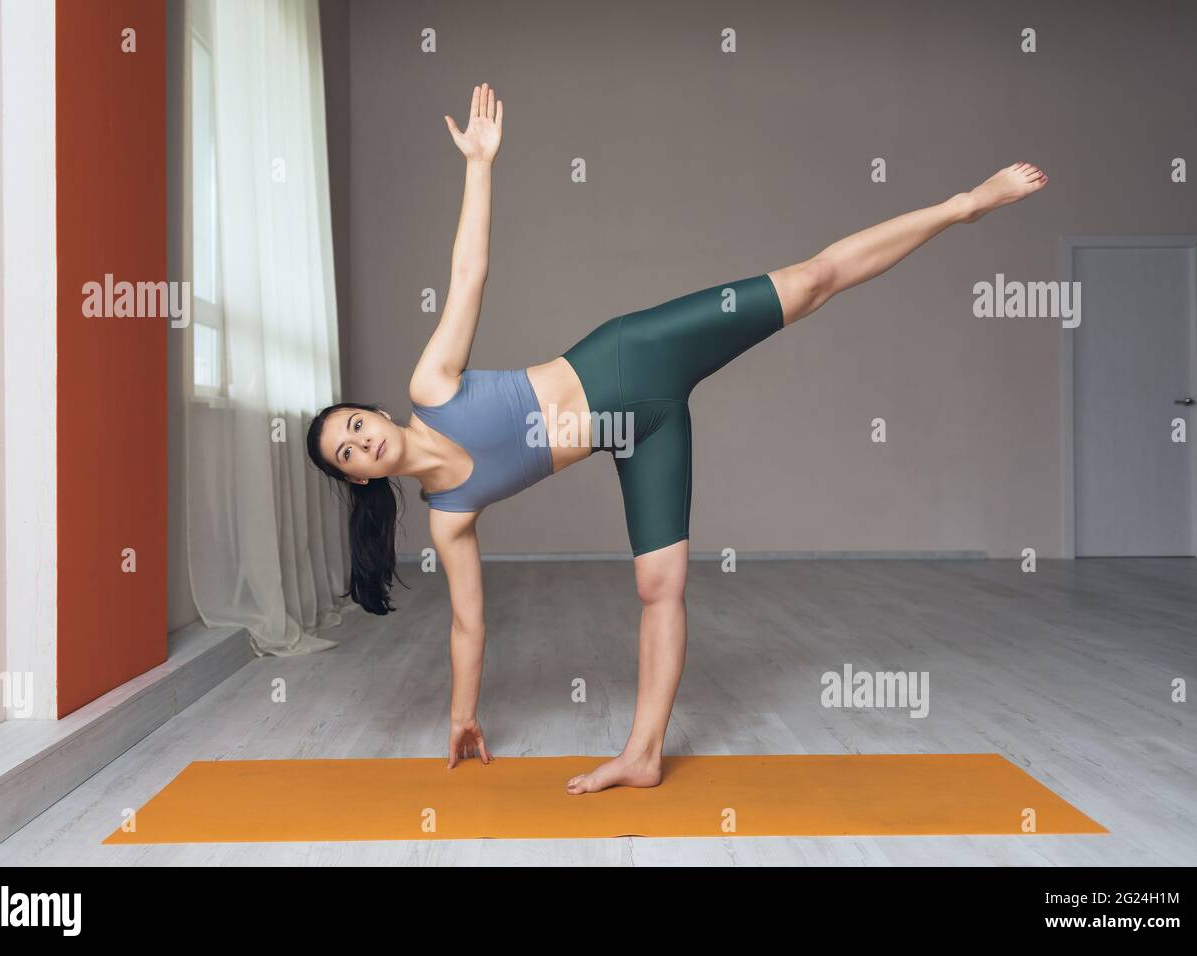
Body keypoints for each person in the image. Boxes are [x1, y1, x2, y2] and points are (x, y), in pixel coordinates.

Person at [306, 82, 1048, 794]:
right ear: (360, 479)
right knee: (659, 587)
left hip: (633, 356)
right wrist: (463, 715)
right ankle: (643, 754)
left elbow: (468, 274)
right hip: (640, 435)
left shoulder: (431, 388)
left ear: (373, 413)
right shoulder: (450, 515)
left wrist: (478, 166)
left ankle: (963, 204)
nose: (361, 442)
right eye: (347, 452)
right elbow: (468, 625)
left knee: (814, 279)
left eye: (355, 425)